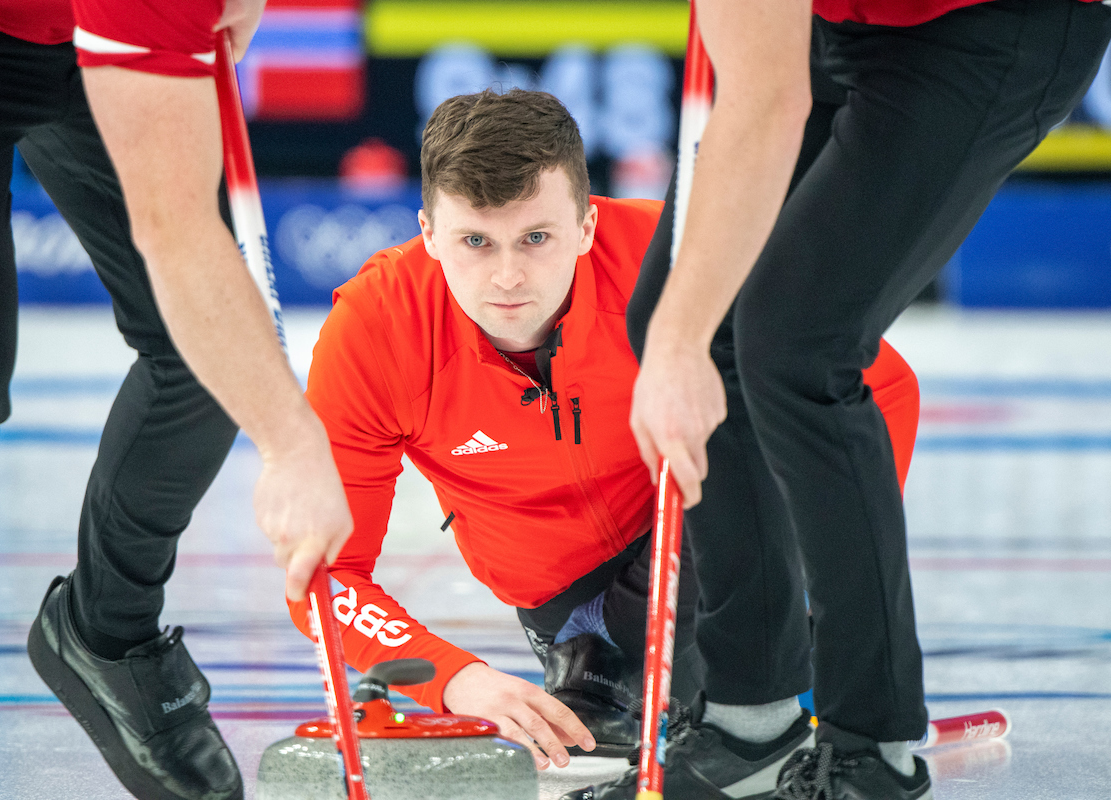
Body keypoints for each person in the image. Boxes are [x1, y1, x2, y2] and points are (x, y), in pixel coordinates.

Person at [286, 88, 922, 780]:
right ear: (429, 232)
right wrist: (458, 681)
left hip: (713, 528)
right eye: (475, 241)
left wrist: (808, 572)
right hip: (570, 612)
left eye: (537, 237)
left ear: (587, 226)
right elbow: (325, 576)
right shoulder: (375, 331)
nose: (507, 277)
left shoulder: (677, 261)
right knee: (612, 687)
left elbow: (880, 391)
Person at [570, 1, 1111, 799]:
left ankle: (871, 745)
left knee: (799, 348)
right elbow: (762, 77)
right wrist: (680, 338)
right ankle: (749, 720)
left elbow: (764, 104)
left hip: (993, 24)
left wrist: (683, 350)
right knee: (681, 316)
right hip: (844, 25)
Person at [0, 1, 352, 798]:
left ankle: (106, 633)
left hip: (91, 31)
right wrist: (291, 445)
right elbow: (173, 232)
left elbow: (185, 242)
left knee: (213, 348)